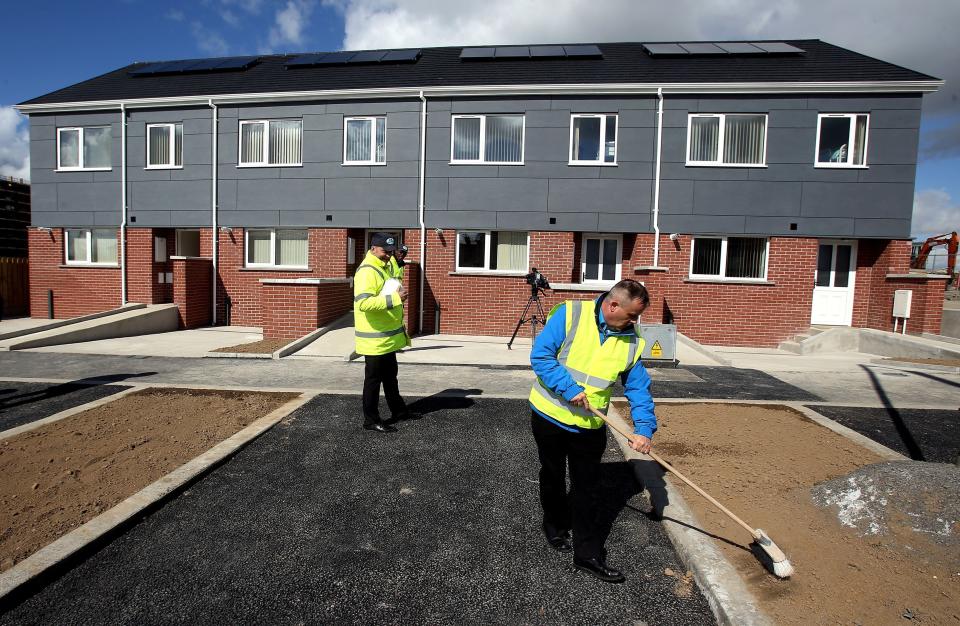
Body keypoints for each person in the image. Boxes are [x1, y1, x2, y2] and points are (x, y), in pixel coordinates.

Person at [528, 279, 656, 583]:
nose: (635, 322)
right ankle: (555, 525)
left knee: (587, 488)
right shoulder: (571, 314)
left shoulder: (632, 340)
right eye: (631, 315)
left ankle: (587, 555)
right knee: (553, 475)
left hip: (590, 426)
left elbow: (638, 389)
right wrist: (568, 387)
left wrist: (644, 429)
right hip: (549, 415)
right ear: (613, 305)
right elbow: (541, 356)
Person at [354, 233, 419, 433]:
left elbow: (394, 278)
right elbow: (363, 303)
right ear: (373, 248)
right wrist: (395, 299)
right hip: (374, 340)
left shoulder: (384, 266)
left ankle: (399, 411)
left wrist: (399, 262)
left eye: (391, 252)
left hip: (386, 338)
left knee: (391, 377)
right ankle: (371, 420)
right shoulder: (367, 271)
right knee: (373, 381)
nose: (388, 256)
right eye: (385, 252)